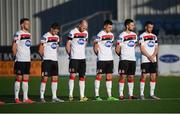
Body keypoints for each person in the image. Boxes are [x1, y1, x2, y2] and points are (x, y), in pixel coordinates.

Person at [93, 19, 118, 101]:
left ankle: (109, 96)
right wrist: (98, 54)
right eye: (109, 27)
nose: (110, 29)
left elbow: (110, 46)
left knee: (109, 76)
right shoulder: (100, 34)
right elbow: (95, 44)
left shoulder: (112, 35)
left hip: (110, 59)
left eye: (111, 27)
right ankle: (97, 95)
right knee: (99, 76)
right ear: (105, 26)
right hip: (101, 59)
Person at [39, 23, 64, 103]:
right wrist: (44, 58)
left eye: (57, 32)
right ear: (51, 29)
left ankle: (54, 97)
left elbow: (56, 48)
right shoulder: (45, 36)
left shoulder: (57, 37)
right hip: (47, 61)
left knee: (55, 78)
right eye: (55, 31)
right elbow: (40, 49)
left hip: (54, 61)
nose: (56, 33)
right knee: (45, 78)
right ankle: (42, 97)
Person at [12, 18, 34, 103]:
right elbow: (14, 46)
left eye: (29, 23)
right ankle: (16, 98)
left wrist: (29, 59)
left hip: (27, 60)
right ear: (22, 25)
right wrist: (15, 58)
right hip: (20, 60)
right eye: (26, 23)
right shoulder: (18, 34)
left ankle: (25, 98)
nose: (28, 25)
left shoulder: (29, 34)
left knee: (26, 78)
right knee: (18, 78)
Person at [66, 20, 88, 101]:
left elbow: (85, 43)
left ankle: (82, 96)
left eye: (86, 27)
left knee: (82, 77)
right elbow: (68, 44)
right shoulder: (72, 32)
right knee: (72, 76)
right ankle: (70, 95)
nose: (85, 28)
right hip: (74, 58)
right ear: (79, 25)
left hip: (82, 58)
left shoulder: (86, 33)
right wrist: (70, 55)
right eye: (83, 26)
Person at [115, 19, 138, 100]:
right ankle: (121, 94)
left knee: (131, 77)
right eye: (132, 25)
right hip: (124, 59)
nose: (133, 26)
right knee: (122, 77)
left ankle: (130, 95)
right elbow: (117, 48)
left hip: (132, 59)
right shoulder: (121, 35)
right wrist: (121, 56)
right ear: (127, 26)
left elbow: (134, 45)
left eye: (133, 25)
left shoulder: (135, 35)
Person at [139, 21, 160, 100]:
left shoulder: (154, 36)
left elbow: (156, 47)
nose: (151, 29)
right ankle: (141, 94)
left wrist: (153, 56)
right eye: (149, 27)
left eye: (152, 27)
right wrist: (149, 56)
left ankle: (152, 94)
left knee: (153, 76)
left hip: (153, 59)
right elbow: (142, 48)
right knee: (144, 76)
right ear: (146, 27)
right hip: (145, 59)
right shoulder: (142, 36)